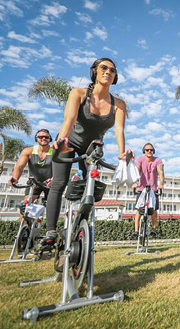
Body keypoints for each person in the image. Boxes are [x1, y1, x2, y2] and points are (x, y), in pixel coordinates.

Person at [42, 57, 130, 247]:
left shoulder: (119, 104)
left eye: (112, 70)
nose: (108, 71)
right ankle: (50, 232)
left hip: (92, 148)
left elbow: (119, 131)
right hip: (69, 143)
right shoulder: (78, 93)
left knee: (90, 187)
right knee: (58, 183)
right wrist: (62, 140)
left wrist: (122, 154)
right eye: (104, 68)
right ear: (95, 72)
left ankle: (79, 228)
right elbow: (69, 119)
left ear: (115, 77)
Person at [9, 129, 53, 210]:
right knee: (26, 207)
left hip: (50, 183)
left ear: (50, 139)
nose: (43, 138)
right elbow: (20, 166)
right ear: (36, 139)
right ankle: (24, 222)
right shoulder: (29, 151)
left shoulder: (55, 151)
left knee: (52, 207)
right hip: (34, 183)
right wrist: (15, 178)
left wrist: (54, 179)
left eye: (46, 137)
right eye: (40, 137)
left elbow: (61, 168)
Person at [132, 142, 164, 238]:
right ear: (144, 151)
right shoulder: (140, 159)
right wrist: (134, 181)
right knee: (138, 210)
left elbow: (161, 173)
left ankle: (154, 229)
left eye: (151, 150)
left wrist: (161, 184)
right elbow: (136, 170)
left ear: (153, 151)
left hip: (153, 189)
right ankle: (136, 231)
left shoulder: (157, 160)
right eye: (147, 150)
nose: (149, 151)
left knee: (154, 210)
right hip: (142, 189)